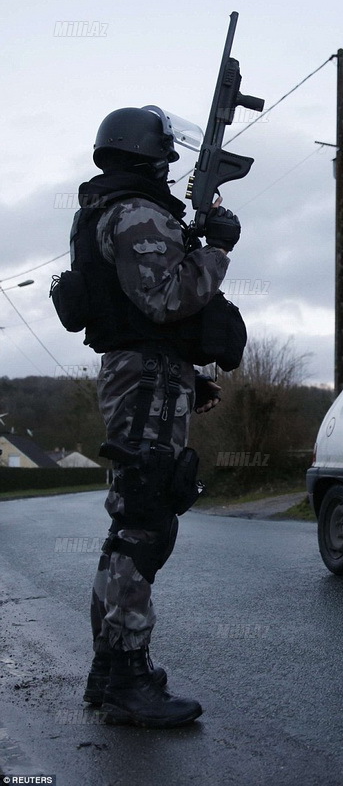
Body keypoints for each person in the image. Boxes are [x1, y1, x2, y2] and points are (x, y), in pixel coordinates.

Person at [71, 106, 241, 728]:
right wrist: (218, 247)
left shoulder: (110, 208)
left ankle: (111, 670)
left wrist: (186, 375)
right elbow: (169, 297)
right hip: (143, 379)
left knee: (132, 525)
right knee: (144, 524)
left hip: (147, 374)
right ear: (148, 155)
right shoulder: (137, 212)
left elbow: (141, 315)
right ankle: (126, 679)